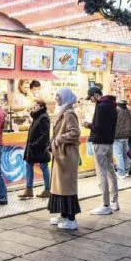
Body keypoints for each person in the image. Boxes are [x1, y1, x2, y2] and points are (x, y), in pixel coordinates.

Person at [47, 87, 82, 230]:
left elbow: (75, 132)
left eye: (58, 95)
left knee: (67, 187)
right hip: (61, 154)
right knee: (60, 186)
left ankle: (71, 219)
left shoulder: (69, 113)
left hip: (67, 155)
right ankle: (64, 215)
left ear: (65, 96)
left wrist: (59, 139)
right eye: (56, 95)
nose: (56, 98)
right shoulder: (64, 111)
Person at [86, 83, 120, 215]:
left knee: (102, 173)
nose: (91, 100)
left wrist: (88, 125)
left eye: (91, 98)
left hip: (100, 142)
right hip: (109, 142)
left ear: (96, 95)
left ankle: (105, 204)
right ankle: (114, 201)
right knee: (111, 171)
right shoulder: (112, 105)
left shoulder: (101, 106)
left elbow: (98, 127)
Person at [22, 90, 52, 203]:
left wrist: (35, 144)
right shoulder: (37, 116)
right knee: (29, 165)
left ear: (42, 107)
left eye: (36, 105)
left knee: (43, 167)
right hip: (33, 148)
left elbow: (45, 135)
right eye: (34, 105)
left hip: (39, 147)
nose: (34, 106)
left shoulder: (43, 117)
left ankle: (48, 189)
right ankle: (29, 189)